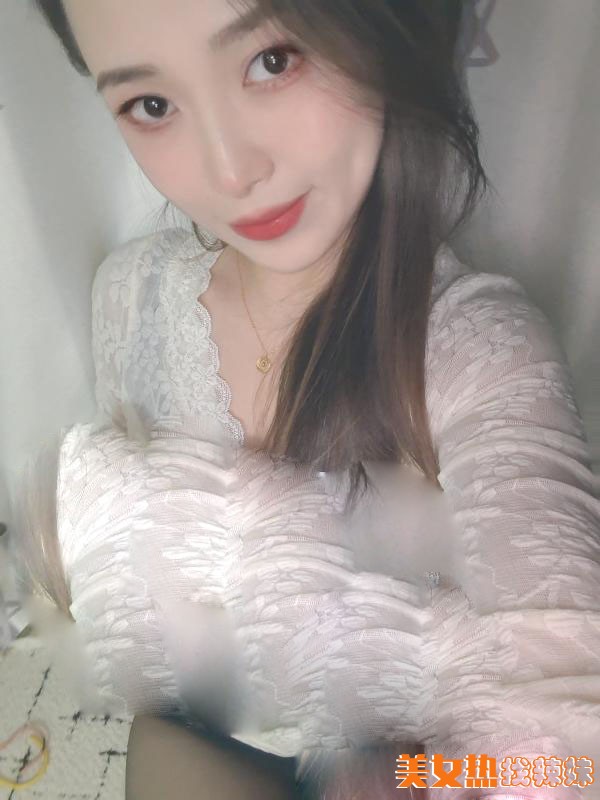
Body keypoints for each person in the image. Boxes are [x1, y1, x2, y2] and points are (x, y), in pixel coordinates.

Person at [11, 1, 600, 798]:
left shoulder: (481, 352)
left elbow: (565, 749)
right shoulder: (131, 294)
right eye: (151, 103)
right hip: (196, 728)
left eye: (274, 59)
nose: (231, 171)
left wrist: (410, 776)